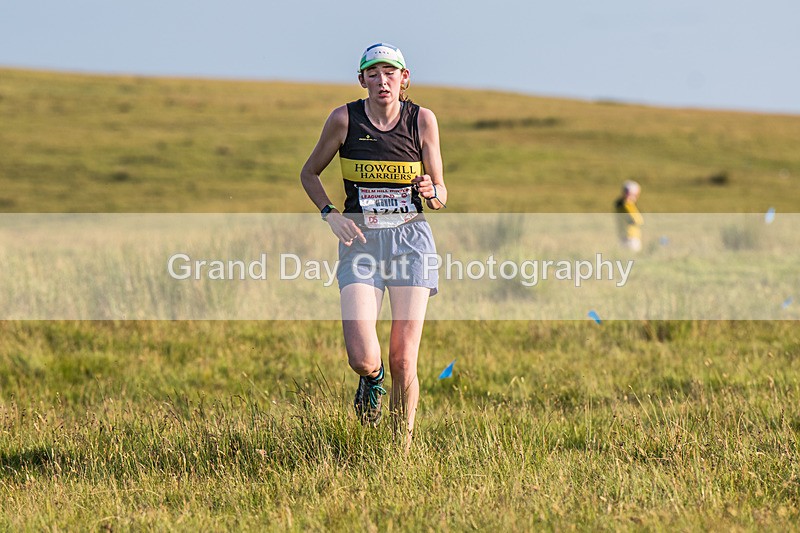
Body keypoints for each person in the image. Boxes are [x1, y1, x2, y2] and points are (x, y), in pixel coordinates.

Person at [300, 43, 447, 448]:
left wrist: (431, 189)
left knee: (404, 356)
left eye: (390, 72)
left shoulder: (422, 120)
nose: (382, 80)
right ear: (361, 79)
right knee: (363, 356)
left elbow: (441, 194)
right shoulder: (344, 119)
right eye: (373, 73)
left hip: (411, 240)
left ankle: (398, 452)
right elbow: (309, 173)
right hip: (360, 240)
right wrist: (331, 214)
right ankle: (372, 380)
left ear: (404, 79)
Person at [614, 180, 644, 251]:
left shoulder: (620, 205)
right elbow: (637, 220)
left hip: (624, 236)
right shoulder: (628, 205)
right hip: (631, 238)